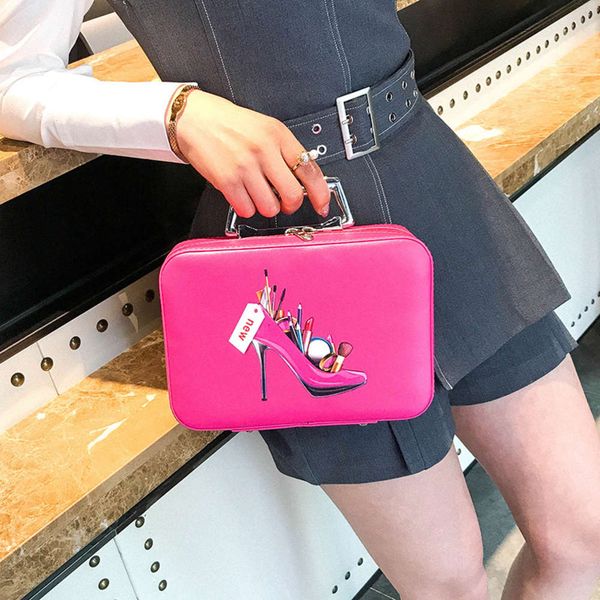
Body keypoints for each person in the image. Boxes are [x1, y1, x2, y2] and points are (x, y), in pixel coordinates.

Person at [2, 1, 600, 597]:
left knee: (584, 536)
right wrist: (177, 114)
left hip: (430, 176)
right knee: (449, 584)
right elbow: (12, 79)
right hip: (293, 235)